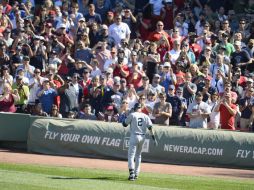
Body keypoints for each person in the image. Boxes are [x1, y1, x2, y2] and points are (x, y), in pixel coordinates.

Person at [122, 103, 157, 181]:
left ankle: (131, 174)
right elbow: (150, 128)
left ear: (134, 108)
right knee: (138, 155)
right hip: (142, 136)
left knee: (131, 155)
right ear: (140, 108)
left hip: (134, 136)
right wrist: (153, 138)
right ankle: (136, 173)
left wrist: (125, 117)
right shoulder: (145, 116)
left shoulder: (132, 114)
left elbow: (124, 124)